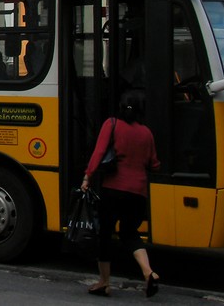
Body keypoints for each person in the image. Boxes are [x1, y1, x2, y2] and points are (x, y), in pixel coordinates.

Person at [81, 89, 161, 298]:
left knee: (105, 235)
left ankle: (104, 282)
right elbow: (154, 164)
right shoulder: (147, 133)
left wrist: (87, 176)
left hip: (113, 189)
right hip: (138, 192)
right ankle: (148, 272)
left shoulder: (112, 124)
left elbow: (99, 153)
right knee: (130, 233)